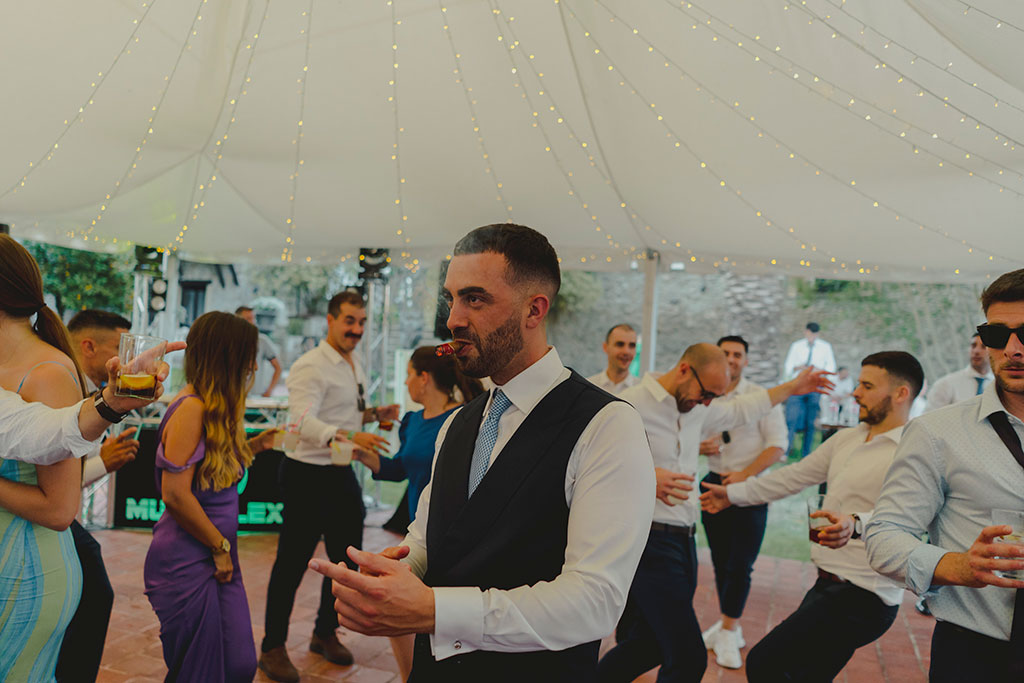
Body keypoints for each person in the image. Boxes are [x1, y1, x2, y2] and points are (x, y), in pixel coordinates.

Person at [309, 223, 656, 682]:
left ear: (535, 309)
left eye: (474, 299)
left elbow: (595, 602)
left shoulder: (608, 425)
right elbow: (431, 536)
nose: (452, 319)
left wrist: (435, 610)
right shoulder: (457, 424)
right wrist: (393, 570)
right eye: (451, 298)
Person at [597, 343, 831, 683]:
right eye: (705, 393)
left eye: (712, 398)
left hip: (685, 540)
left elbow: (743, 409)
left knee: (651, 644)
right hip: (648, 541)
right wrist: (648, 476)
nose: (706, 403)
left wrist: (793, 388)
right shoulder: (629, 405)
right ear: (683, 370)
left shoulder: (698, 407)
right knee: (689, 657)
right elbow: (594, 466)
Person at [702, 351, 923, 681]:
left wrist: (854, 522)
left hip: (865, 595)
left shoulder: (914, 451)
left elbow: (909, 517)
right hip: (827, 583)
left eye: (866, 385)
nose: (855, 392)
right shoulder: (848, 437)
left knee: (765, 662)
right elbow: (794, 476)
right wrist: (732, 495)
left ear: (901, 393)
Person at [865, 269, 1024, 681]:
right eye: (996, 335)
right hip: (976, 655)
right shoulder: (936, 432)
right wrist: (953, 566)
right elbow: (884, 535)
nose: (1012, 349)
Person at [259, 291, 398, 681]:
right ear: (330, 320)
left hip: (339, 474)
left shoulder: (354, 361)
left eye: (361, 322)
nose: (356, 329)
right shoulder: (310, 365)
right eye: (350, 321)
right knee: (291, 563)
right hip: (305, 474)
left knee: (344, 561)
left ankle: (323, 632)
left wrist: (372, 415)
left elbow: (344, 413)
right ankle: (271, 648)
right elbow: (300, 421)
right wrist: (349, 436)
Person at [144, 312, 273, 682]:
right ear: (229, 357)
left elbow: (210, 474)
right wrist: (218, 547)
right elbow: (176, 494)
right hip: (188, 560)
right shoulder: (191, 408)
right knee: (200, 673)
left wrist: (258, 444)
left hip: (218, 555)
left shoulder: (214, 407)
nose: (253, 365)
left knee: (239, 665)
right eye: (249, 355)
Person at [354, 345, 484, 681]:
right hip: (418, 533)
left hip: (454, 536)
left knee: (441, 626)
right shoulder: (412, 422)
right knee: (399, 620)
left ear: (423, 378)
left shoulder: (466, 419)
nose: (407, 381)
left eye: (409, 374)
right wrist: (360, 454)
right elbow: (399, 469)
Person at [698, 335, 788, 670]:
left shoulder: (760, 398)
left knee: (741, 565)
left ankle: (729, 628)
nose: (732, 359)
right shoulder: (706, 395)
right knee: (721, 562)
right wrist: (699, 447)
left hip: (749, 489)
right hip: (710, 482)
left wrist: (746, 474)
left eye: (738, 354)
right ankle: (726, 626)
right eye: (725, 353)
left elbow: (779, 445)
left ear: (746, 361)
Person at [58, 309, 138, 682]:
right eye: (121, 348)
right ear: (88, 345)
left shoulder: (89, 391)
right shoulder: (58, 382)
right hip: (46, 519)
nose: (127, 360)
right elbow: (52, 481)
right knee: (94, 596)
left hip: (59, 516)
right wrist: (102, 463)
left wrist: (103, 459)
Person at [782, 322, 837, 458]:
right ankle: (786, 451)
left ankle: (806, 453)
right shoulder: (797, 346)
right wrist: (798, 368)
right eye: (809, 333)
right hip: (798, 385)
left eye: (814, 334)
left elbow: (831, 367)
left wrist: (818, 369)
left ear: (817, 334)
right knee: (791, 419)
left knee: (810, 421)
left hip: (814, 387)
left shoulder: (825, 347)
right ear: (805, 332)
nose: (811, 336)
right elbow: (788, 366)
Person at [925, 332, 993, 411]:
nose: (976, 351)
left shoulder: (998, 386)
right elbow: (929, 418)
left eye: (983, 347)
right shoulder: (946, 384)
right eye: (973, 346)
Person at [236, 306, 282, 397]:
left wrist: (269, 390)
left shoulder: (262, 341)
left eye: (253, 318)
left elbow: (278, 367)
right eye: (248, 319)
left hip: (256, 396)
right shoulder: (230, 342)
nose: (252, 322)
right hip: (235, 396)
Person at [586, 323, 639, 393]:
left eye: (632, 345)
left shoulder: (642, 390)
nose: (626, 351)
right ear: (605, 347)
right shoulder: (589, 387)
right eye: (620, 344)